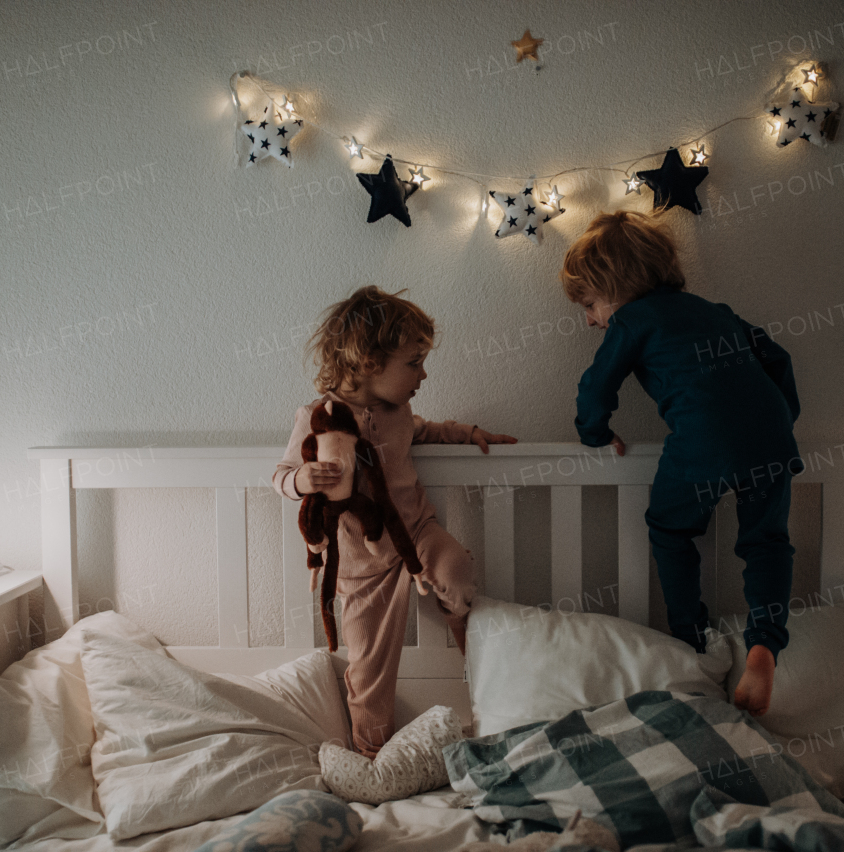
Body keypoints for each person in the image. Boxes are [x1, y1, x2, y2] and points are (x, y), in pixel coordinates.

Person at [561, 210, 803, 717]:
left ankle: (692, 640)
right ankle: (764, 645)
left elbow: (596, 384)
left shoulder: (632, 320)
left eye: (589, 305)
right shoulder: (714, 310)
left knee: (670, 529)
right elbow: (777, 359)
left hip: (704, 438)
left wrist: (595, 431)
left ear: (614, 286)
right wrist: (781, 421)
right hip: (772, 433)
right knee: (766, 540)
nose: (588, 320)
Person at [273, 285, 517, 756]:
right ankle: (370, 750)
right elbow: (280, 476)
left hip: (415, 531)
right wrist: (303, 478)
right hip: (361, 562)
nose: (423, 374)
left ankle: (460, 623)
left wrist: (468, 434)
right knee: (369, 667)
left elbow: (426, 430)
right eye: (414, 362)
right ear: (368, 362)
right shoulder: (317, 416)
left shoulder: (400, 412)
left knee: (456, 569)